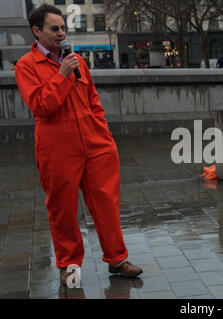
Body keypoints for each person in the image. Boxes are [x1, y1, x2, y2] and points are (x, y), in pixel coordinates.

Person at [14, 4, 142, 286]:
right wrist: (61, 75)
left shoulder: (78, 61)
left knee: (106, 203)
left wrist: (103, 133)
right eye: (54, 28)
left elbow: (93, 102)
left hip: (96, 144)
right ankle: (69, 267)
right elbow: (40, 105)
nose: (61, 33)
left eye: (63, 28)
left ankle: (117, 260)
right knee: (63, 210)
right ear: (37, 31)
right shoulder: (27, 66)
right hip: (58, 149)